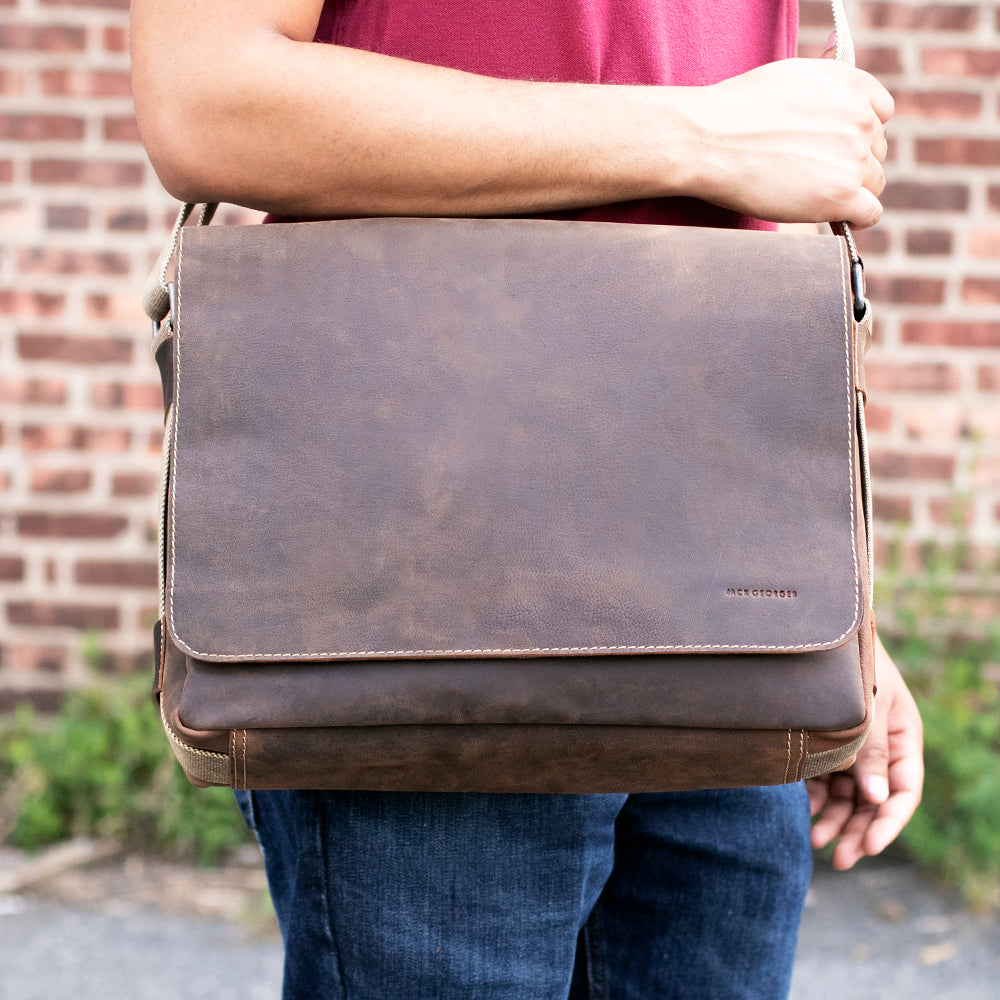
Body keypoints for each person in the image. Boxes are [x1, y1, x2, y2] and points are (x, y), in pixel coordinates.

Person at [130, 2, 924, 997]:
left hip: (728, 637)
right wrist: (699, 134)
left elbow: (739, 225)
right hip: (419, 640)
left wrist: (839, 619)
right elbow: (207, 101)